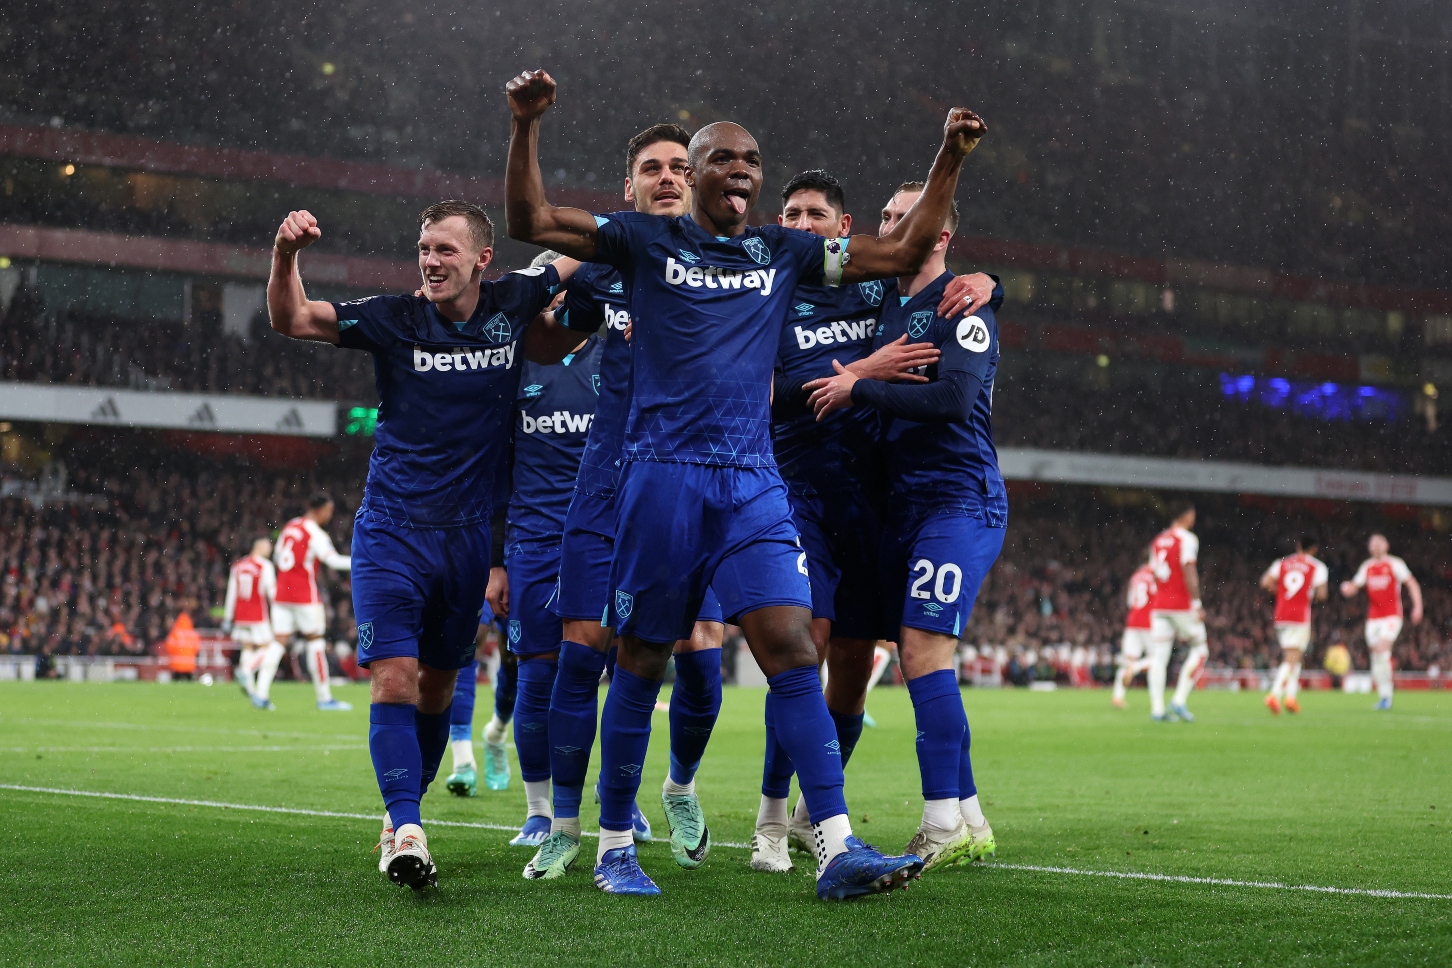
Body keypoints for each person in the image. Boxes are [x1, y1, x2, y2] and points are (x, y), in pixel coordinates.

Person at [504, 68, 986, 898]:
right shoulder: (642, 242)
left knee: (794, 647)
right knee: (643, 655)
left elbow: (907, 252)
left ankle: (834, 846)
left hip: (753, 481)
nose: (742, 169)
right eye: (723, 158)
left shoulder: (784, 253)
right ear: (691, 175)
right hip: (660, 477)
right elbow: (530, 221)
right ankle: (615, 844)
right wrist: (527, 126)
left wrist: (948, 157)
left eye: (753, 160)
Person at [267, 198, 579, 890]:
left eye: (445, 250)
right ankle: (406, 826)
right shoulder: (393, 317)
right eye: (424, 250)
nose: (432, 262)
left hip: (467, 539)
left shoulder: (513, 304)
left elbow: (579, 247)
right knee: (396, 680)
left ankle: (400, 816)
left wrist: (644, 221)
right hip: (391, 532)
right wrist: (287, 255)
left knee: (440, 686)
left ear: (482, 259)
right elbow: (292, 318)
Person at [753, 170, 996, 873]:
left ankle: (817, 817)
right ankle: (770, 817)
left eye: (816, 213)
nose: (802, 223)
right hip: (799, 494)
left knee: (865, 668)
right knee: (807, 647)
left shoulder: (876, 291)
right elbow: (761, 397)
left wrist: (986, 281)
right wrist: (867, 367)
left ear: (843, 226)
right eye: (790, 212)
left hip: (876, 504)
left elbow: (939, 290)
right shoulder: (768, 297)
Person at [525, 125, 721, 883]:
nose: (669, 177)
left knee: (682, 665)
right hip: (606, 481)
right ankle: (572, 830)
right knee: (583, 653)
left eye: (681, 167)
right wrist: (562, 271)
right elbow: (543, 344)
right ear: (629, 189)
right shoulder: (608, 272)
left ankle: (667, 797)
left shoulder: (734, 264)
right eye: (652, 169)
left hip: (691, 488)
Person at [488, 261, 606, 852]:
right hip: (533, 543)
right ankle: (539, 811)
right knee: (537, 675)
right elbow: (493, 469)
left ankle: (618, 804)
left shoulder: (615, 352)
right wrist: (495, 560)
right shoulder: (514, 365)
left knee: (610, 676)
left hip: (605, 536)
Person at [273, 494, 353, 711]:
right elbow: (333, 560)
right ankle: (324, 697)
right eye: (328, 510)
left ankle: (259, 692)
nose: (330, 515)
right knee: (315, 642)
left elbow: (278, 555)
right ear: (319, 510)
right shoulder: (315, 533)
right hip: (304, 595)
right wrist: (363, 562)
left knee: (278, 643)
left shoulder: (291, 527)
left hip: (282, 592)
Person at [1341, 534, 1422, 710]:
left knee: (1382, 649)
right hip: (1373, 619)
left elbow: (1412, 583)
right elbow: (1355, 586)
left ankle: (1387, 697)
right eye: (1373, 544)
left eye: (1379, 543)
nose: (1376, 546)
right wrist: (1347, 588)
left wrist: (1418, 606)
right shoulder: (1367, 567)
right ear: (1369, 548)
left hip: (1392, 616)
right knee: (1376, 656)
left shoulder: (1395, 564)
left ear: (1387, 545)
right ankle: (1384, 695)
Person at [1147, 502, 1208, 722]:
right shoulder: (1187, 539)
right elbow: (1189, 569)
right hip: (1180, 604)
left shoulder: (1158, 540)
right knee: (1201, 650)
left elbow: (1154, 572)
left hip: (1159, 604)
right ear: (1186, 515)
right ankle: (1179, 700)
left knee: (1159, 657)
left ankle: (1157, 710)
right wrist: (1197, 603)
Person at [1260, 536, 1328, 715]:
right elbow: (1322, 594)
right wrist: (1307, 595)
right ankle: (1274, 695)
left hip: (1281, 615)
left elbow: (1265, 582)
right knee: (1291, 658)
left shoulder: (1282, 563)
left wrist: (1281, 592)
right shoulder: (1317, 566)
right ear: (1314, 549)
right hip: (1299, 616)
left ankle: (1291, 698)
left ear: (1298, 546)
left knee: (1294, 657)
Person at [223, 536, 281, 710]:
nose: (269, 551)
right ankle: (247, 670)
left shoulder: (238, 566)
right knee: (269, 647)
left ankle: (252, 692)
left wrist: (228, 618)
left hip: (240, 616)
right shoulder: (264, 566)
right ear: (260, 547)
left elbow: (231, 593)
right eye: (268, 548)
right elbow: (272, 592)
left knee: (248, 648)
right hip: (258, 615)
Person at [1111, 553, 1157, 710]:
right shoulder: (1155, 575)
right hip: (1149, 622)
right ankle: (1135, 669)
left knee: (1127, 660)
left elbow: (1130, 602)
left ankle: (1117, 697)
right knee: (1158, 659)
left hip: (1133, 621)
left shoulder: (1136, 576)